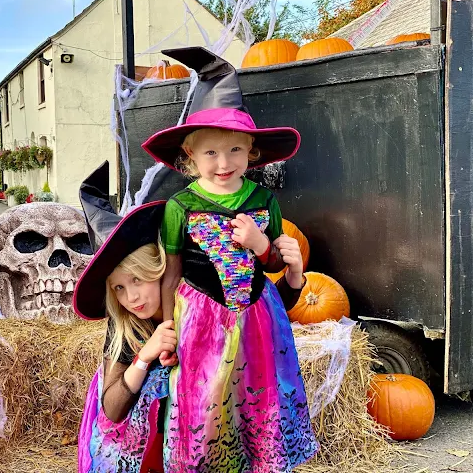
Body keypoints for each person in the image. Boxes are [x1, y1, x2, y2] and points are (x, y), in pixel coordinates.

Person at [141, 47, 319, 471]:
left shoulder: (263, 200)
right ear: (189, 154)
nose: (224, 163)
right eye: (211, 153)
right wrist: (167, 327)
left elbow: (274, 263)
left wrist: (260, 243)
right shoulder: (180, 207)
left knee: (259, 393)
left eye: (236, 150)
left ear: (252, 151)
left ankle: (261, 461)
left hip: (259, 318)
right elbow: (171, 273)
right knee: (204, 400)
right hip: (201, 318)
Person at [75, 162, 177, 473]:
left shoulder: (191, 305)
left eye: (137, 279)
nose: (130, 297)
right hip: (134, 447)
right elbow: (113, 409)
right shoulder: (125, 324)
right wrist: (144, 358)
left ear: (156, 268)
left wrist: (295, 279)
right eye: (119, 287)